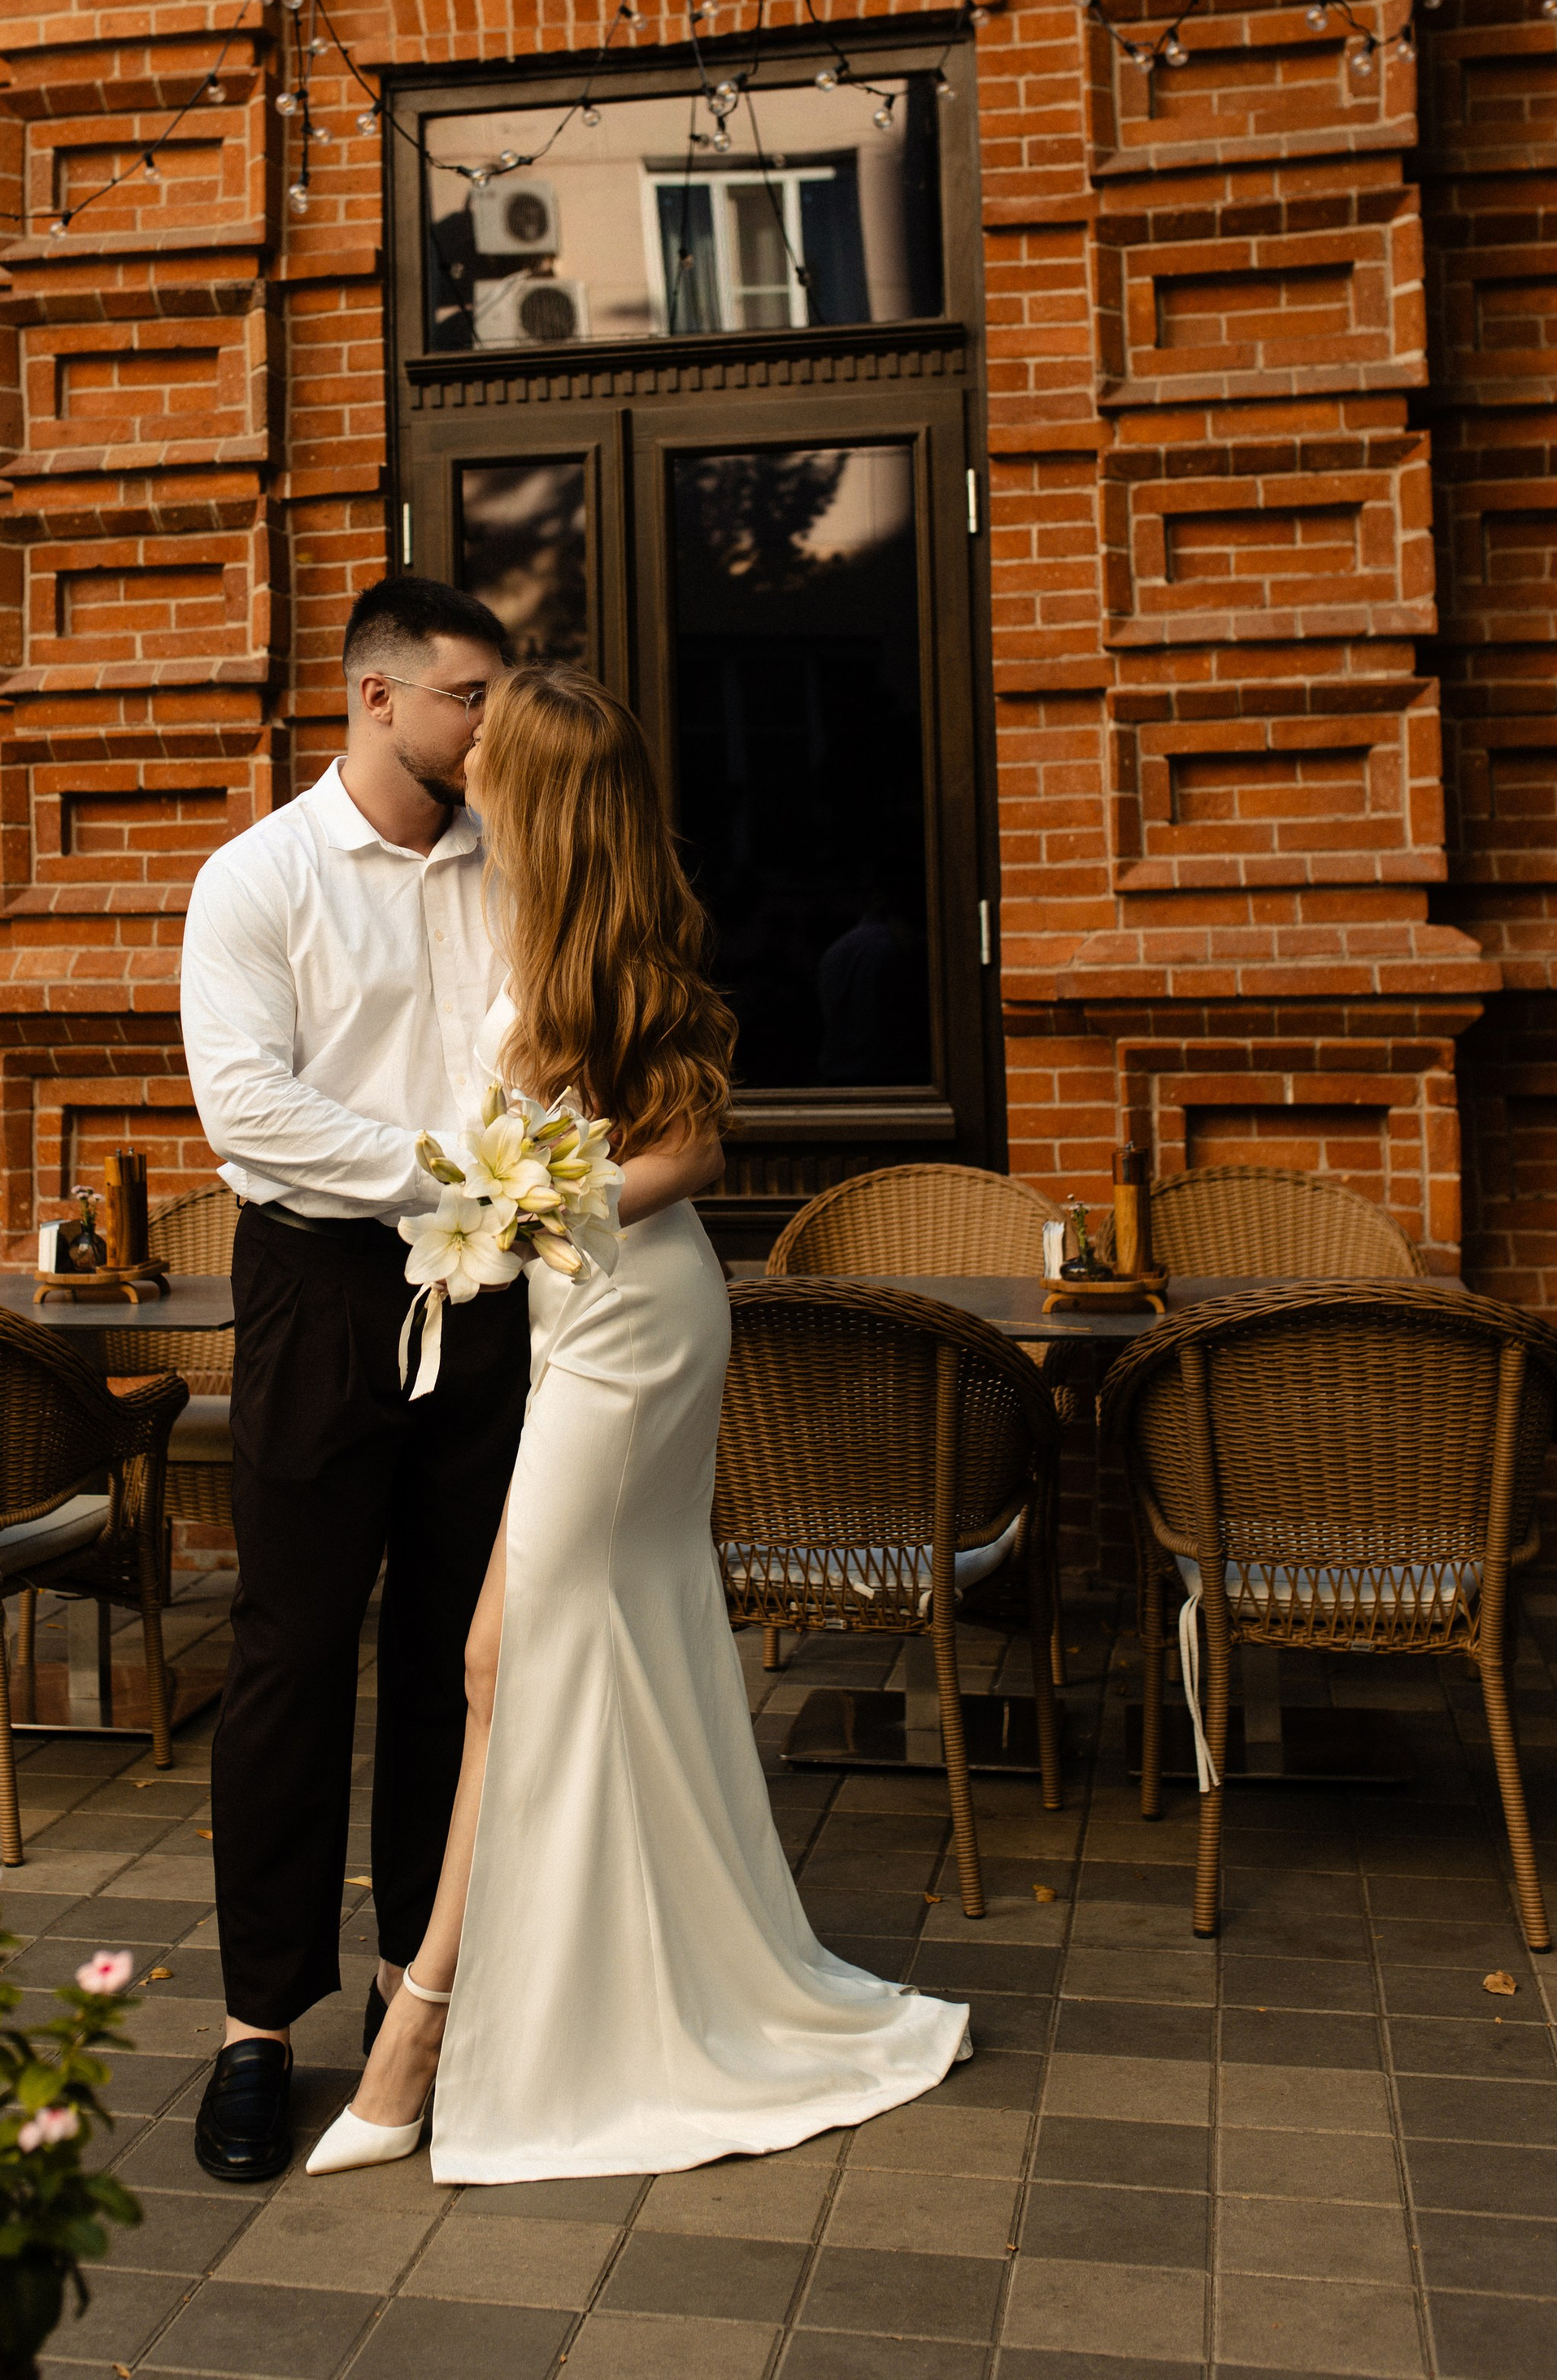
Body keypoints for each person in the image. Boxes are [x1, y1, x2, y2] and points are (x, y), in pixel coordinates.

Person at [305, 662, 970, 2183]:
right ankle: (571, 1982)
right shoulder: (523, 914)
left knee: (497, 1651)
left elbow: (694, 1148)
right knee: (561, 1649)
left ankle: (421, 2030)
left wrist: (536, 1196)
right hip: (571, 1323)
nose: (468, 749)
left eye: (495, 742)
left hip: (638, 1329)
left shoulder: (616, 942)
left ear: (541, 785)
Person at [176, 575, 528, 2184]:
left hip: (494, 1297)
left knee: (465, 1653)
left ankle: (415, 1993)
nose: (489, 721)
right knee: (292, 1653)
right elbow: (248, 1113)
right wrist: (453, 1168)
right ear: (375, 698)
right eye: (466, 694)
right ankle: (259, 2026)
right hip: (321, 1293)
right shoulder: (255, 879)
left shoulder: (510, 862)